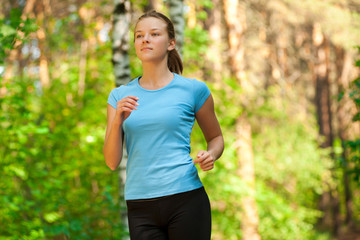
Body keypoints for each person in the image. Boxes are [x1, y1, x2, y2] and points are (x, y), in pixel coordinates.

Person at [103, 10, 224, 240]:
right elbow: (111, 162)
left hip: (186, 198)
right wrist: (118, 119)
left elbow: (216, 138)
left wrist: (211, 155)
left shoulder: (193, 90)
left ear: (171, 43)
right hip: (140, 204)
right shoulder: (119, 96)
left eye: (154, 34)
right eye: (139, 35)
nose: (145, 39)